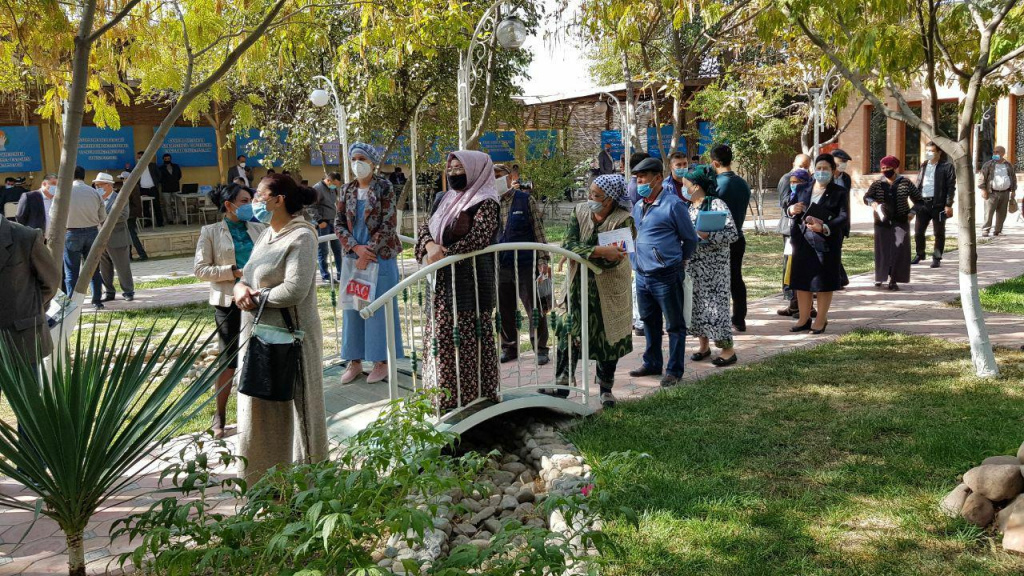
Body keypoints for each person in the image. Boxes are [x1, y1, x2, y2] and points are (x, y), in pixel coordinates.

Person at [231, 174, 328, 481]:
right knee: (258, 406)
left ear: (278, 200)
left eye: (259, 196)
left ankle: (307, 482)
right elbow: (246, 275)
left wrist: (254, 298)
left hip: (291, 338)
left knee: (297, 409)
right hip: (258, 336)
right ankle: (262, 479)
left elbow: (295, 290)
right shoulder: (265, 235)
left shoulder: (302, 236)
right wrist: (238, 290)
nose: (255, 202)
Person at [415, 150, 500, 413]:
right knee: (441, 337)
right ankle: (443, 397)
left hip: (470, 283)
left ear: (475, 170)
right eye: (450, 170)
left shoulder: (486, 202)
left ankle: (475, 399)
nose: (453, 174)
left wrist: (443, 255)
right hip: (441, 281)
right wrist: (430, 247)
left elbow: (479, 238)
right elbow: (423, 228)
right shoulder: (443, 198)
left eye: (459, 169)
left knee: (468, 339)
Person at [548, 174, 634, 407]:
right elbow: (568, 244)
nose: (590, 198)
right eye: (590, 193)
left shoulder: (624, 220)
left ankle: (606, 389)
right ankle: (563, 384)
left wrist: (589, 253)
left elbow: (614, 260)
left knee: (608, 337)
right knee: (569, 330)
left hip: (609, 288)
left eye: (596, 195)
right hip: (578, 285)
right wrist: (599, 250)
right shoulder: (580, 212)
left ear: (610, 199)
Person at [194, 183, 265, 438]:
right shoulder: (211, 232)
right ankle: (220, 414)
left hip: (260, 300)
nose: (251, 205)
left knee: (261, 355)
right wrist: (232, 272)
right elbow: (201, 269)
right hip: (228, 301)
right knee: (228, 359)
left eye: (251, 200)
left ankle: (258, 414)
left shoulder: (259, 228)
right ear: (229, 205)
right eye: (245, 200)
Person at [628, 157, 700, 388]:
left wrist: (679, 261)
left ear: (658, 178)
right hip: (642, 274)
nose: (639, 182)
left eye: (643, 178)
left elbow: (689, 238)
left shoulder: (673, 204)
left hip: (666, 275)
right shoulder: (639, 206)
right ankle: (652, 362)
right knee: (648, 321)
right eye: (637, 178)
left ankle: (674, 369)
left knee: (674, 325)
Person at [336, 143, 403, 385]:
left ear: (373, 162)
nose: (357, 163)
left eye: (362, 157)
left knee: (377, 308)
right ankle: (354, 361)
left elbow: (388, 223)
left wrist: (369, 251)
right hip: (354, 259)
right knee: (352, 307)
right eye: (353, 158)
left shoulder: (385, 187)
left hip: (380, 257)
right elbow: (339, 223)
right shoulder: (346, 190)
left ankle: (380, 361)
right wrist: (356, 248)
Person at [783, 154, 849, 334]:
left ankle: (820, 319)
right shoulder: (803, 188)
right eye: (818, 168)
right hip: (802, 240)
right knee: (802, 280)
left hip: (826, 242)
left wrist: (824, 227)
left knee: (823, 282)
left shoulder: (839, 192)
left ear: (833, 171)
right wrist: (791, 209)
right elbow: (788, 205)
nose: (821, 172)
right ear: (813, 170)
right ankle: (803, 318)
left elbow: (843, 217)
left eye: (825, 169)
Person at [680, 165, 739, 366]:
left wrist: (708, 235)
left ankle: (727, 350)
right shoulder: (691, 206)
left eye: (686, 185)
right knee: (696, 306)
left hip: (714, 270)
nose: (684, 188)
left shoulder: (716, 204)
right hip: (694, 266)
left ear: (696, 186)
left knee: (716, 308)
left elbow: (732, 234)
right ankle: (703, 346)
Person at [494, 163, 551, 365]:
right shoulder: (489, 203)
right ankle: (509, 347)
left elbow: (538, 231)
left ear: (510, 178)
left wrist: (543, 259)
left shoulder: (525, 200)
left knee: (534, 307)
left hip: (526, 263)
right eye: (492, 176)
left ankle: (541, 348)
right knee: (504, 309)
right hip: (500, 265)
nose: (496, 179)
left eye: (499, 175)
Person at [0, 216, 60, 371]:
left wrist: (32, 308)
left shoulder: (25, 237)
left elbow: (50, 283)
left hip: (21, 341)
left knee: (25, 395)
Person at [864, 156, 923, 291]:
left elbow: (919, 200)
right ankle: (880, 277)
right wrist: (872, 202)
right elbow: (866, 196)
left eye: (888, 168)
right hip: (882, 222)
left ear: (895, 168)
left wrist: (912, 213)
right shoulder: (877, 184)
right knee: (883, 250)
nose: (885, 170)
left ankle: (894, 280)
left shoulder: (905, 183)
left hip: (901, 220)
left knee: (898, 249)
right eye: (883, 168)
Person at [711, 144, 751, 332]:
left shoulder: (716, 184)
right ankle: (739, 318)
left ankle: (720, 318)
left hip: (720, 240)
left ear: (714, 162)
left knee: (718, 282)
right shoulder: (742, 183)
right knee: (736, 278)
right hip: (739, 237)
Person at [63, 166, 106, 308]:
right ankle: (97, 300)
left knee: (71, 271)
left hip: (71, 233)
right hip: (92, 232)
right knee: (93, 269)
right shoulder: (94, 192)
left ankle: (72, 303)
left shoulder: (64, 192)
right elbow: (102, 216)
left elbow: (54, 214)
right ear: (84, 176)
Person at [776, 154, 812, 317]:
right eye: (800, 165)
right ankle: (793, 302)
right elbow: (784, 202)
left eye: (806, 166)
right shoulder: (786, 179)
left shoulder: (811, 181)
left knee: (804, 267)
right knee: (790, 267)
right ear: (793, 164)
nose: (803, 169)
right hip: (790, 229)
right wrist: (791, 208)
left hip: (807, 230)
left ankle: (804, 305)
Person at [94, 173, 135, 302]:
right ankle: (109, 292)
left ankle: (128, 291)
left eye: (100, 185)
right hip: (100, 239)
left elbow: (123, 216)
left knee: (122, 267)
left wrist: (104, 218)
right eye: (96, 185)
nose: (98, 188)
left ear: (109, 185)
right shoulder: (95, 199)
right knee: (104, 269)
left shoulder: (120, 198)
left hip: (117, 238)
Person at [914, 141, 956, 264]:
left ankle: (937, 257)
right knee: (918, 232)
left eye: (931, 151)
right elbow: (919, 183)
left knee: (939, 232)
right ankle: (920, 254)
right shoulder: (924, 165)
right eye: (927, 151)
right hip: (923, 203)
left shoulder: (947, 166)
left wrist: (948, 204)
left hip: (938, 205)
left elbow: (951, 187)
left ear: (939, 152)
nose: (929, 153)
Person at [626, 151, 651, 337]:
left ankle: (640, 319)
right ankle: (640, 320)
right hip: (638, 241)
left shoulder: (633, 186)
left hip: (638, 242)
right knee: (637, 282)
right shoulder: (636, 189)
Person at [312, 172, 344, 282]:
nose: (335, 186)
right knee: (323, 250)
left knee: (337, 249)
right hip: (323, 223)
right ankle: (325, 276)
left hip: (332, 222)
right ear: (329, 180)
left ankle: (341, 273)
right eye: (334, 184)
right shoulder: (317, 189)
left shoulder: (332, 188)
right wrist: (319, 220)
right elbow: (310, 206)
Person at [980, 144, 1017, 238]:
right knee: (988, 212)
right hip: (992, 193)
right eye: (994, 152)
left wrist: (1013, 191)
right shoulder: (988, 164)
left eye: (997, 152)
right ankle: (985, 230)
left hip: (1005, 193)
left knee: (1002, 213)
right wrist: (983, 190)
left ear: (1003, 153)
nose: (995, 153)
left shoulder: (1008, 165)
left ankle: (998, 230)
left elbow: (1013, 177)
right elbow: (982, 178)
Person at [136, 151, 164, 227]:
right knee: (145, 207)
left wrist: (156, 183)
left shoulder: (152, 165)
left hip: (153, 188)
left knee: (156, 205)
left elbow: (159, 175)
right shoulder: (137, 167)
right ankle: (148, 222)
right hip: (143, 189)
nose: (140, 158)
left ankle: (160, 222)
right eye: (139, 157)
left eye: (142, 156)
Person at [832, 149, 854, 237]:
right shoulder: (824, 176)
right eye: (841, 161)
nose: (843, 164)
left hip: (841, 220)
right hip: (826, 220)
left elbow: (846, 201)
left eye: (845, 162)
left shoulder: (846, 178)